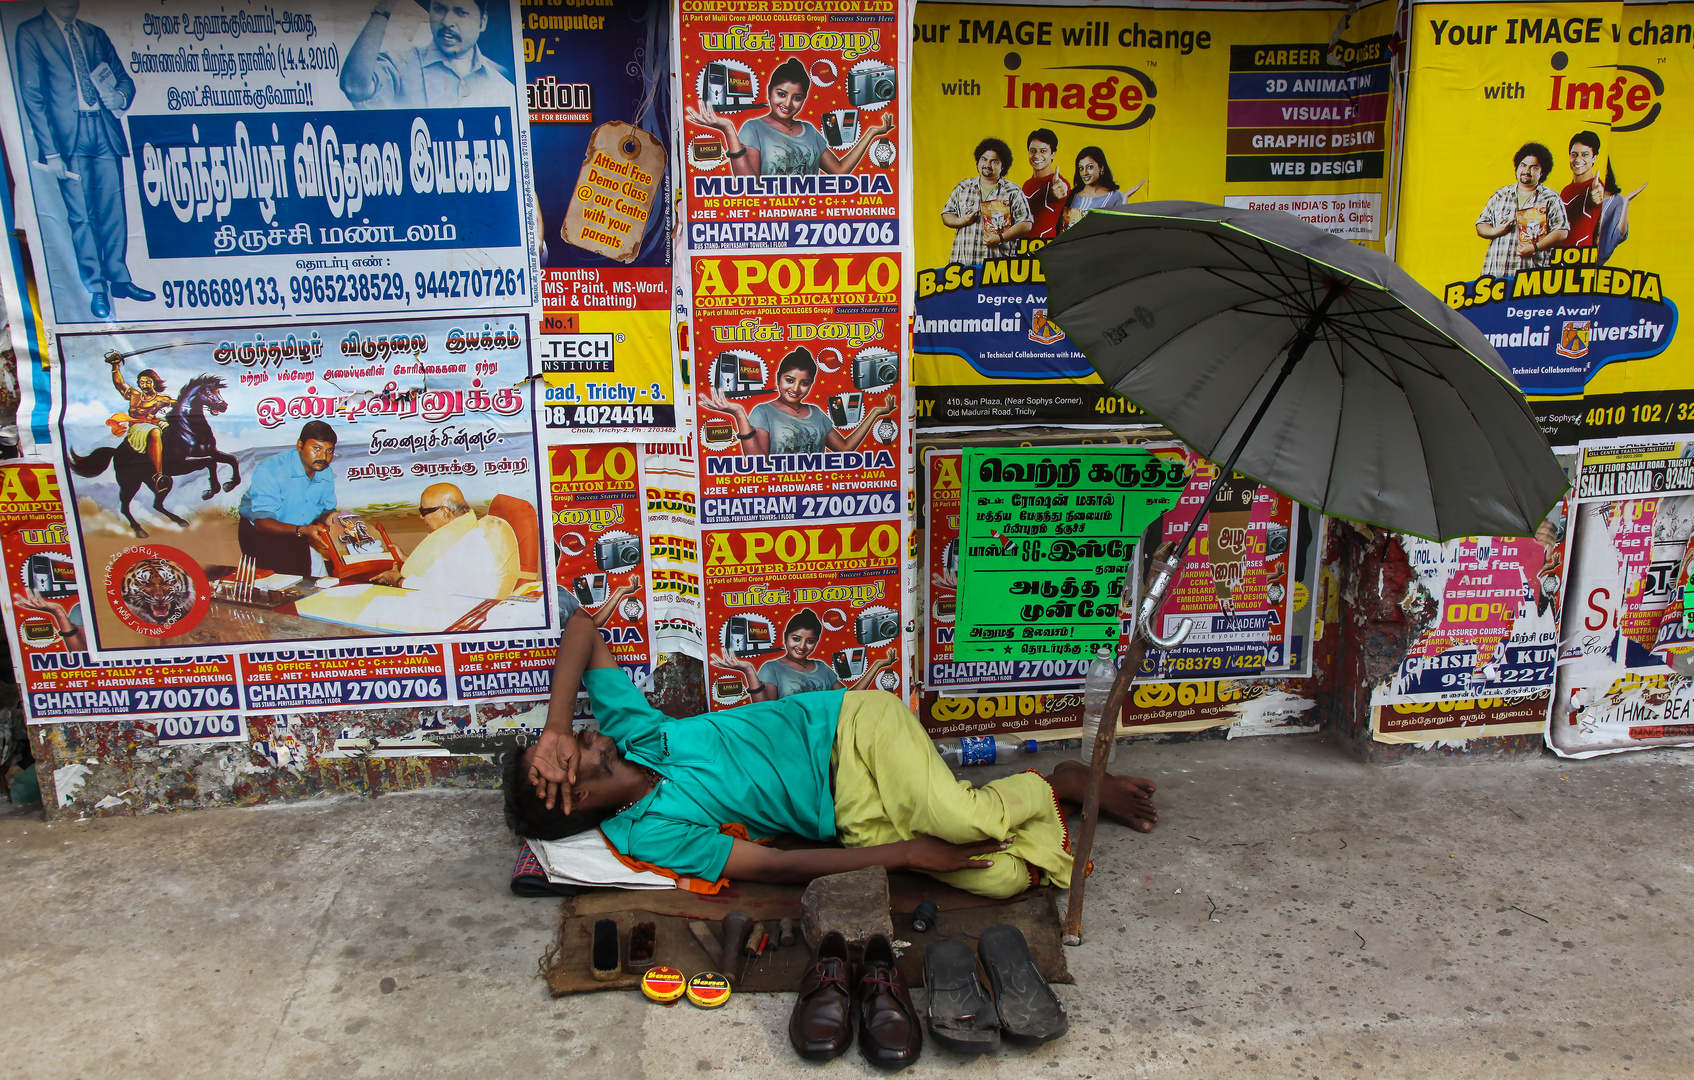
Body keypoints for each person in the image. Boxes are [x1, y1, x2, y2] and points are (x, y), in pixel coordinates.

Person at [505, 605, 1162, 900]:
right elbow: (772, 867)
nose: (577, 740)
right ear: (571, 795)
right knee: (998, 877)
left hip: (852, 729)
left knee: (966, 824)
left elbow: (583, 628)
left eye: (560, 743)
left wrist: (558, 725)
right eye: (562, 758)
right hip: (849, 818)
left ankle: (1065, 782)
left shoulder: (634, 729)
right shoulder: (647, 832)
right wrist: (903, 854)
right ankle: (1044, 799)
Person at [14, 0, 155, 321]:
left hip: (104, 128)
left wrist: (118, 96)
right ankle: (95, 287)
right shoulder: (31, 33)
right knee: (81, 216)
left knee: (114, 211)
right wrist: (50, 152)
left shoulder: (95, 34)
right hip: (67, 139)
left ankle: (119, 279)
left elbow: (124, 80)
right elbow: (32, 98)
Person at [685, 56, 892, 177]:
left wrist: (872, 133)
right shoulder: (753, 128)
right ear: (769, 92)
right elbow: (747, 184)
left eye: (797, 98)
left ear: (804, 100)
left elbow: (839, 171)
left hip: (812, 219)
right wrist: (729, 130)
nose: (787, 104)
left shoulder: (809, 130)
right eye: (781, 94)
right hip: (772, 223)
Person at [703, 347, 894, 456]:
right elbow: (757, 462)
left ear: (811, 384)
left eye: (804, 383)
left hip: (817, 489)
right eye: (789, 380)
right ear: (778, 379)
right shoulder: (763, 412)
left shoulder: (816, 412)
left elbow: (845, 448)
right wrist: (739, 414)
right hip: (780, 493)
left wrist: (875, 413)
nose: (795, 389)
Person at [342, 0, 515, 109]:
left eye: (461, 12)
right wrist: (382, 10)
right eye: (439, 9)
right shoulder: (400, 66)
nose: (447, 22)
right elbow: (354, 87)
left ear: (482, 22)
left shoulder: (502, 78)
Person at [371, 483, 520, 599]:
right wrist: (405, 558)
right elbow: (442, 568)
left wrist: (397, 580)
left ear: (444, 512)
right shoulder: (462, 533)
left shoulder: (469, 544)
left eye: (424, 512)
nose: (422, 517)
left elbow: (438, 590)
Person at [714, 608, 897, 701]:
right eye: (796, 638)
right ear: (785, 638)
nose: (802, 646)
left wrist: (877, 665)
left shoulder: (822, 667)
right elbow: (766, 710)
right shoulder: (772, 668)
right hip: (792, 743)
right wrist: (749, 671)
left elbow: (849, 699)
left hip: (827, 739)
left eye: (810, 641)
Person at [236, 421, 341, 577]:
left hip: (300, 530)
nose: (323, 457)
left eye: (329, 451)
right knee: (272, 585)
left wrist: (335, 517)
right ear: (300, 445)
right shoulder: (271, 469)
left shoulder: (325, 472)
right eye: (316, 448)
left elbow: (325, 510)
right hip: (262, 533)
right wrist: (302, 530)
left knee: (302, 579)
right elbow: (262, 522)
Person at [1474, 142, 1568, 277]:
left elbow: (1562, 231)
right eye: (1523, 165)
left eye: (1534, 167)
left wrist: (1534, 248)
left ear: (1542, 172)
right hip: (1495, 276)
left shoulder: (1550, 198)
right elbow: (1481, 224)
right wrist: (1495, 230)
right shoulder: (1501, 194)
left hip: (1530, 278)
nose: (1526, 171)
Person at [1560, 131, 1646, 266]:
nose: (1578, 159)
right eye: (1574, 154)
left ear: (1594, 158)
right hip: (1559, 262)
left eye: (1585, 155)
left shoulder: (1597, 187)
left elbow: (1595, 199)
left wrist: (1597, 198)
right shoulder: (1565, 190)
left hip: (1582, 264)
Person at [941, 138, 1032, 264]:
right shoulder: (963, 187)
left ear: (1003, 165)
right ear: (978, 161)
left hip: (997, 268)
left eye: (994, 161)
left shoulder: (1012, 191)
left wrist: (1000, 238)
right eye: (984, 159)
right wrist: (961, 220)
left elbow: (1026, 223)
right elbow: (946, 214)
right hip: (963, 266)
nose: (987, 165)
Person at [102, 357, 173, 492]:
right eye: (142, 382)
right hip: (138, 427)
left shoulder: (162, 398)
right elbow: (119, 384)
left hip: (153, 421)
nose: (145, 384)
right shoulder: (134, 395)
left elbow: (178, 403)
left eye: (148, 382)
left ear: (154, 382)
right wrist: (115, 365)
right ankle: (158, 476)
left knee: (171, 427)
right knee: (154, 431)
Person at [1060, 146, 1126, 232]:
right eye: (1081, 168)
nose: (1085, 173)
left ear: (1101, 167)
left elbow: (1119, 229)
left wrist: (1126, 200)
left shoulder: (1115, 196)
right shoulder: (1071, 195)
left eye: (1090, 167)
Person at [1022, 129, 1070, 240]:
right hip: (1022, 251)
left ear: (1052, 154)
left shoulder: (1058, 183)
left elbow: (1060, 192)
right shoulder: (1027, 184)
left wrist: (1060, 191)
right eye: (1033, 151)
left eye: (1043, 151)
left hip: (1044, 250)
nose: (1037, 155)